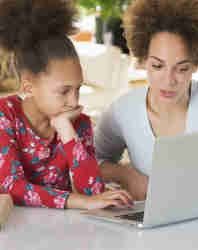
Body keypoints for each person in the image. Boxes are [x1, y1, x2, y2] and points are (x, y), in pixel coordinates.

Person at [94, 0, 198, 201]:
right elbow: (88, 163)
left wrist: (170, 194)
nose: (169, 81)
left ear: (196, 64)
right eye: (158, 66)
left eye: (182, 68)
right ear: (143, 60)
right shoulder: (122, 111)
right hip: (149, 229)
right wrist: (126, 175)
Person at [0, 0, 133, 210]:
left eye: (78, 88)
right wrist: (78, 201)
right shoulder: (5, 116)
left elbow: (93, 193)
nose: (74, 101)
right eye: (64, 91)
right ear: (28, 87)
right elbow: (11, 186)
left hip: (62, 232)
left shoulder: (77, 124)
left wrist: (66, 132)